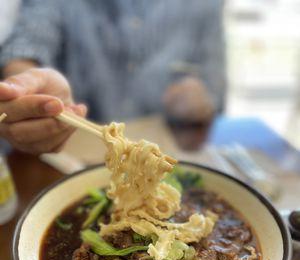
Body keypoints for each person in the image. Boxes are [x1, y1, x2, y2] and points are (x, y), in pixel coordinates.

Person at [0, 0, 226, 155]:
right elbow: (26, 44)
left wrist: (198, 99)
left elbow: (214, 90)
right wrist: (25, 88)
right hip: (68, 146)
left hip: (167, 149)